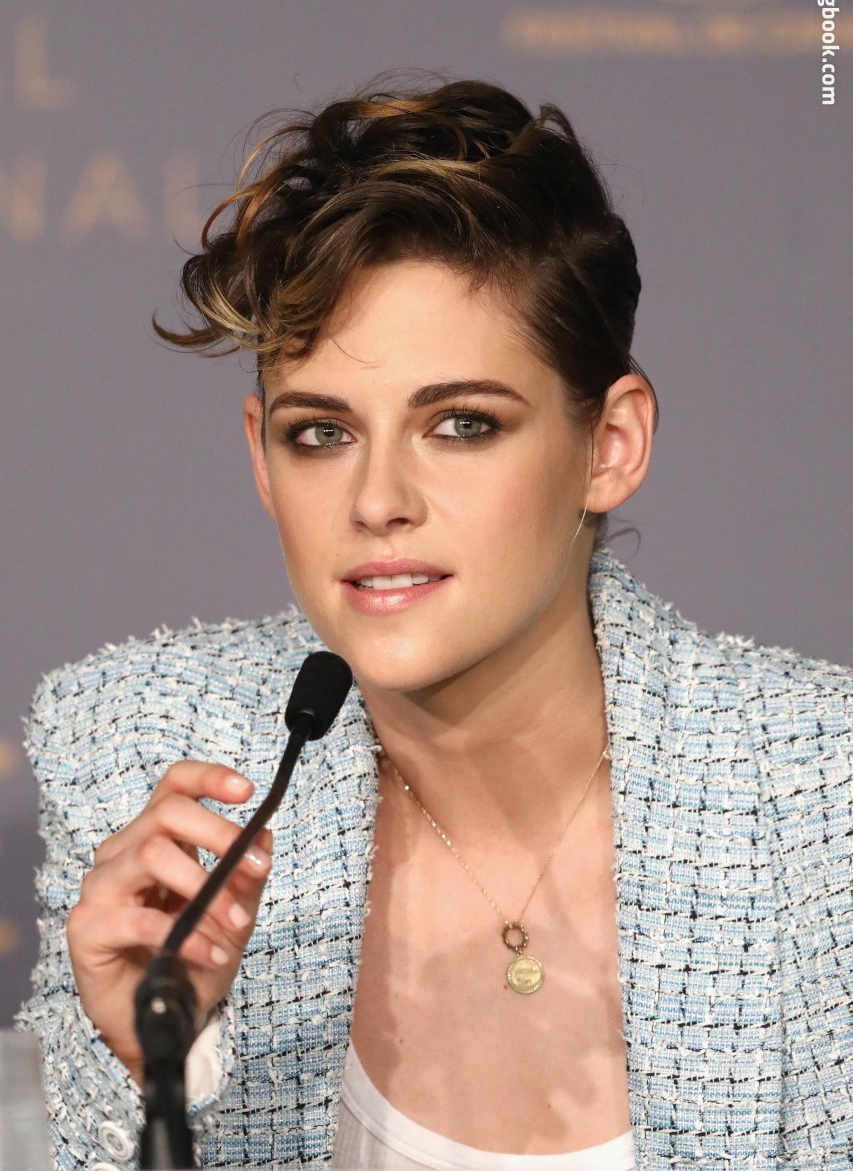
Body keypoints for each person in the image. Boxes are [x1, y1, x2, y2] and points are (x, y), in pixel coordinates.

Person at [17, 75, 851, 1171]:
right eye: (320, 434)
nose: (376, 501)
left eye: (461, 424)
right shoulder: (145, 752)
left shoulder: (820, 800)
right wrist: (151, 1068)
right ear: (261, 458)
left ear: (610, 445)